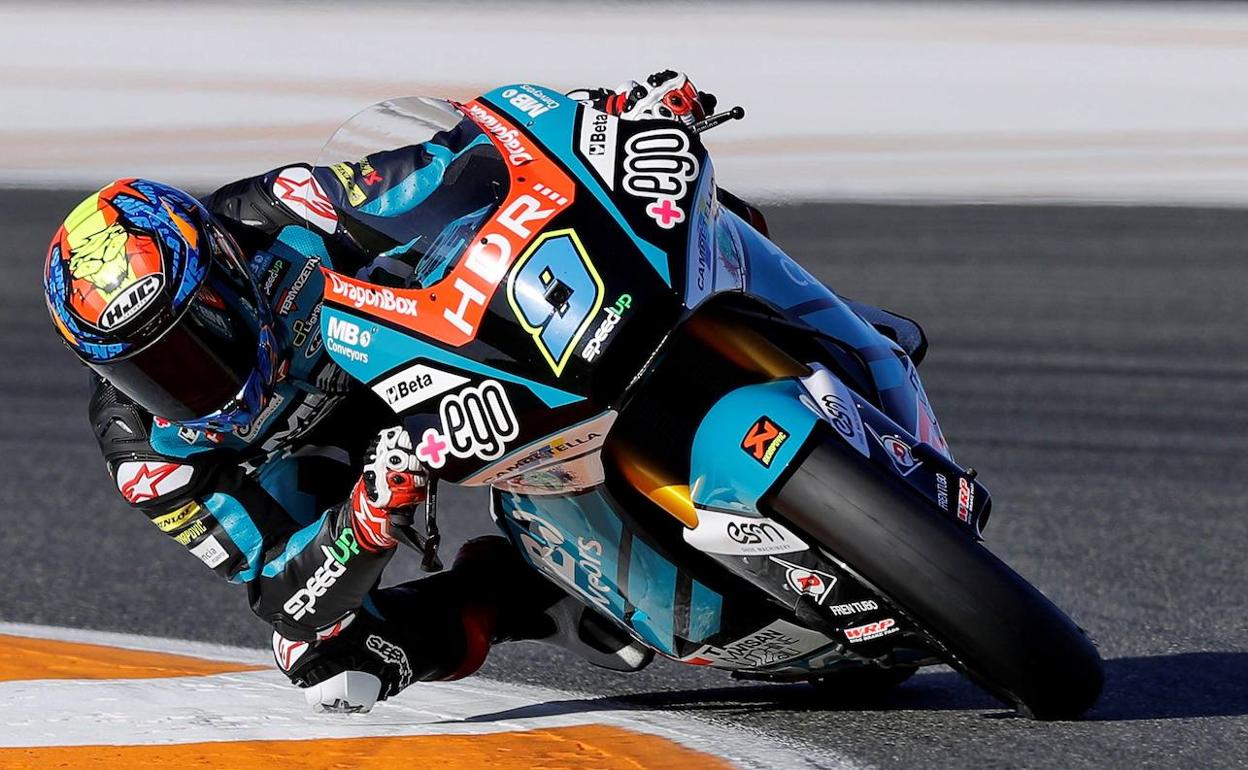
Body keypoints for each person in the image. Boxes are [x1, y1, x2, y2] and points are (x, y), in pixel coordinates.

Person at [42, 72, 750, 713]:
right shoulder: (145, 456)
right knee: (323, 658)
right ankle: (539, 600)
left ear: (225, 270)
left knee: (645, 229)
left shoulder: (285, 213)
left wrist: (601, 122)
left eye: (194, 341)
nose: (186, 380)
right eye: (149, 370)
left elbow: (450, 167)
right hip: (335, 470)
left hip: (409, 354)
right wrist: (365, 520)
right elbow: (278, 590)